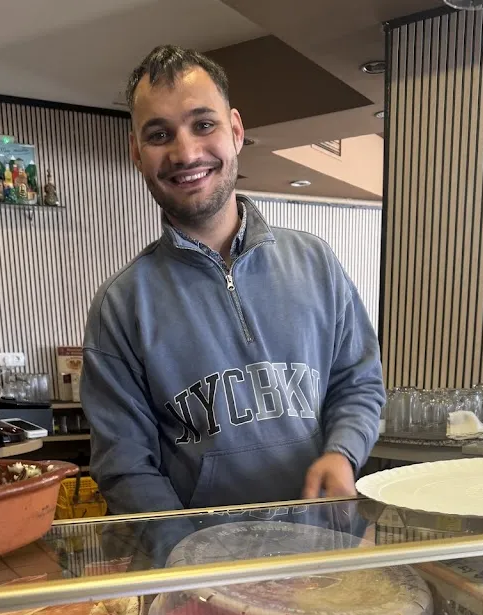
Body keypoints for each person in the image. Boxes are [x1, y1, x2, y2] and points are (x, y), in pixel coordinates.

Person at [81, 44, 385, 515]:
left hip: (324, 557)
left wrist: (341, 451)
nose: (186, 152)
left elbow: (357, 382)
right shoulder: (121, 306)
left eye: (204, 125)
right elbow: (126, 466)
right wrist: (188, 570)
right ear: (137, 155)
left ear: (236, 131)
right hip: (204, 573)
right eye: (159, 134)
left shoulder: (316, 262)